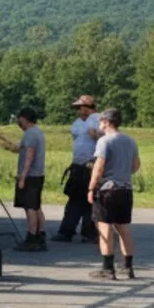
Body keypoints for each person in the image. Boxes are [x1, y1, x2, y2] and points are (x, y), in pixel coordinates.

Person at [88, 108, 142, 280]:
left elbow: (99, 166)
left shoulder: (104, 141)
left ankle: (108, 268)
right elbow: (135, 165)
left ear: (105, 121)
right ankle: (128, 267)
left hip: (108, 190)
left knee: (104, 226)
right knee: (123, 227)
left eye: (100, 121)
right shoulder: (130, 141)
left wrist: (91, 187)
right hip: (125, 188)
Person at [0, 108, 48, 251]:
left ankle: (32, 237)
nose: (18, 122)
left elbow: (29, 156)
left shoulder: (30, 135)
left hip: (30, 176)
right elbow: (18, 148)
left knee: (30, 208)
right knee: (36, 206)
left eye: (19, 119)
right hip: (37, 175)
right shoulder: (37, 133)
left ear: (25, 119)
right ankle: (40, 234)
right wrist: (0, 138)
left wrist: (22, 177)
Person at [57, 94, 102, 243]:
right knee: (74, 198)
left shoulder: (99, 120)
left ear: (88, 108)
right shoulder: (77, 123)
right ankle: (67, 231)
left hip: (92, 165)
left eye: (81, 108)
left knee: (90, 200)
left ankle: (88, 232)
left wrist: (97, 135)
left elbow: (106, 139)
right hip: (78, 166)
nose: (78, 111)